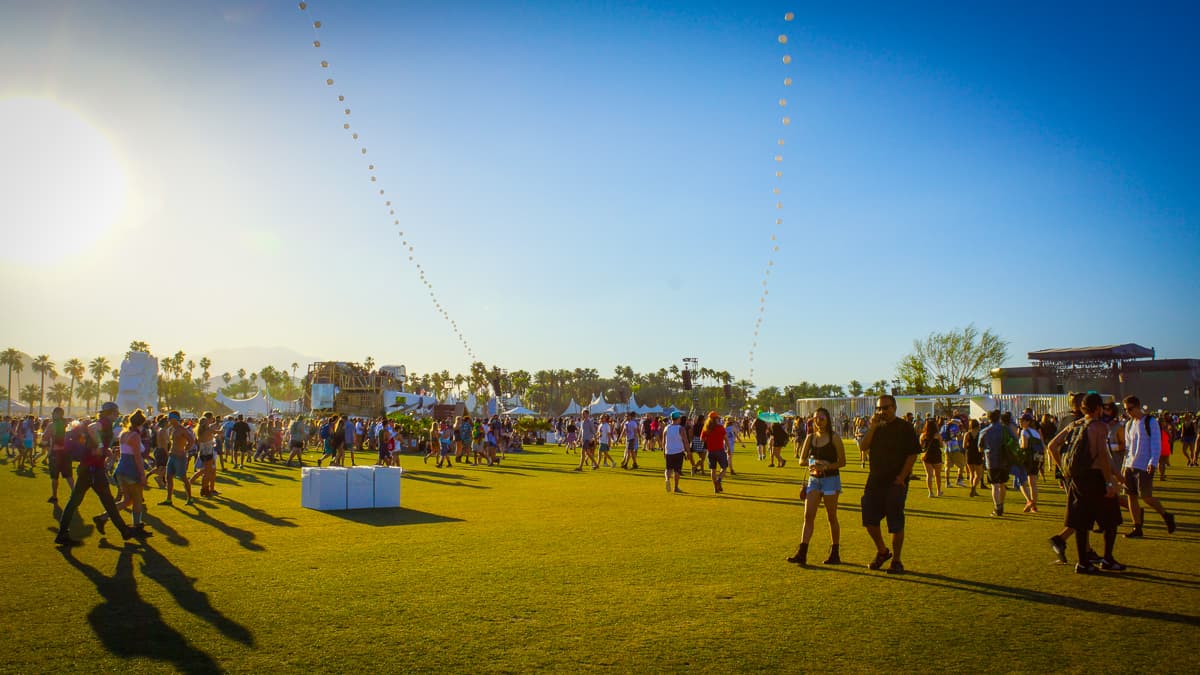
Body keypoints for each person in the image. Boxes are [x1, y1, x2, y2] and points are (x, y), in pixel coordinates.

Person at [1051, 393, 1125, 573]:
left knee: (1081, 522)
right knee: (1111, 521)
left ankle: (1083, 563)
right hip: (1096, 477)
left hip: (1078, 478)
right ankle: (1107, 559)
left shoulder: (1074, 425)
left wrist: (1064, 469)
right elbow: (1102, 456)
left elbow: (1052, 446)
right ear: (1098, 408)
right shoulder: (1099, 426)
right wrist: (1110, 482)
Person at [54, 402, 140, 545]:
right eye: (115, 413)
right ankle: (124, 530)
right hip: (93, 470)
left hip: (88, 468)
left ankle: (62, 533)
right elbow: (91, 428)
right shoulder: (104, 422)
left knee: (76, 502)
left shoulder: (104, 423)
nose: (117, 416)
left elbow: (92, 439)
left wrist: (105, 450)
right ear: (111, 413)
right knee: (106, 502)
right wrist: (100, 445)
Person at [858, 395, 920, 574]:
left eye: (886, 408)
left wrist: (902, 477)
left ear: (894, 408)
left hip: (895, 481)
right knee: (869, 518)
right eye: (879, 408)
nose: (882, 411)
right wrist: (872, 427)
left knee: (895, 521)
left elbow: (912, 454)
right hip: (875, 480)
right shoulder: (876, 427)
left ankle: (897, 560)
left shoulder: (905, 427)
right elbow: (863, 447)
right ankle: (882, 551)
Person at [788, 408, 846, 566]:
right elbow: (801, 460)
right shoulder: (810, 437)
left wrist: (827, 466)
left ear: (827, 419)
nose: (819, 421)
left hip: (830, 479)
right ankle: (802, 552)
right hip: (814, 480)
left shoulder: (834, 438)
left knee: (831, 517)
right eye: (816, 419)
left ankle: (835, 552)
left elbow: (842, 461)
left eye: (821, 418)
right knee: (808, 515)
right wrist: (813, 463)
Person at [1121, 396, 1177, 538]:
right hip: (1130, 464)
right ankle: (1137, 527)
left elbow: (1156, 443)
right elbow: (1128, 447)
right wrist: (1124, 464)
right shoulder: (1129, 424)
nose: (1128, 412)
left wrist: (1153, 462)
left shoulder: (1150, 421)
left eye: (1130, 409)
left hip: (1144, 465)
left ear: (1138, 407)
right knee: (1130, 496)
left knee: (1146, 497)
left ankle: (1166, 515)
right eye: (1126, 409)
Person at [96, 409, 153, 538]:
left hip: (122, 469)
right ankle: (137, 527)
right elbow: (137, 457)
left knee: (127, 500)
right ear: (140, 424)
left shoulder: (124, 434)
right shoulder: (135, 436)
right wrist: (142, 474)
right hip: (130, 469)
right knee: (137, 500)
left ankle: (103, 517)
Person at [979, 410, 1014, 516]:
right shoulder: (1005, 429)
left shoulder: (984, 431)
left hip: (991, 460)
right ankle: (1001, 504)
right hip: (1004, 460)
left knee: (995, 485)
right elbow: (1013, 441)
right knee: (1002, 484)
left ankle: (997, 507)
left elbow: (980, 448)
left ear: (989, 419)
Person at [160, 411, 195, 506]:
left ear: (175, 419)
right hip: (172, 456)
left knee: (183, 477)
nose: (168, 420)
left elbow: (191, 440)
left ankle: (190, 498)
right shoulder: (173, 429)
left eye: (170, 418)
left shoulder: (182, 429)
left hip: (180, 457)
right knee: (168, 477)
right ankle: (169, 500)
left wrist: (185, 449)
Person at [1016, 413, 1044, 512]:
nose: (1020, 422)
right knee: (1033, 483)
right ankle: (1034, 506)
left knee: (1022, 482)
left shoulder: (1024, 432)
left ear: (1028, 422)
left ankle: (1029, 501)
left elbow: (1024, 446)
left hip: (1027, 459)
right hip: (1036, 459)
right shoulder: (1035, 432)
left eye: (1022, 420)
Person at [46, 407, 74, 503]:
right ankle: (75, 495)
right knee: (69, 476)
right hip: (66, 452)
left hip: (55, 453)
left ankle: (54, 496)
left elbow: (45, 438)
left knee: (54, 476)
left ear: (56, 414)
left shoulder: (52, 425)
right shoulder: (67, 424)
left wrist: (44, 444)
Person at [700, 412, 728, 493]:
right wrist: (728, 448)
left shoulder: (706, 428)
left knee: (713, 470)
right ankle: (719, 480)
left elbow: (702, 439)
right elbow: (725, 438)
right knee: (724, 467)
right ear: (715, 419)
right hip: (720, 450)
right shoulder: (720, 427)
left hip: (710, 451)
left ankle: (715, 487)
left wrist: (708, 439)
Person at [662, 411, 687, 493]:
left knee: (668, 469)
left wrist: (664, 452)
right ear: (678, 418)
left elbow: (663, 441)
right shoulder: (681, 428)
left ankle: (667, 479)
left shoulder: (666, 428)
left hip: (668, 451)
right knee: (677, 470)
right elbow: (685, 441)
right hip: (678, 451)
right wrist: (688, 452)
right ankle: (676, 487)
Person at [918, 419, 943, 498]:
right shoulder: (937, 435)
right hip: (936, 455)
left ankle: (930, 492)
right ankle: (938, 491)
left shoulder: (923, 435)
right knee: (937, 475)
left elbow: (921, 446)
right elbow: (941, 445)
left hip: (927, 456)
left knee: (929, 475)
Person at [964, 419, 984, 497]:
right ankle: (974, 488)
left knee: (971, 473)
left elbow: (964, 446)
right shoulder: (980, 434)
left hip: (969, 454)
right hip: (978, 454)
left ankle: (973, 489)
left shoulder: (967, 434)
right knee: (978, 474)